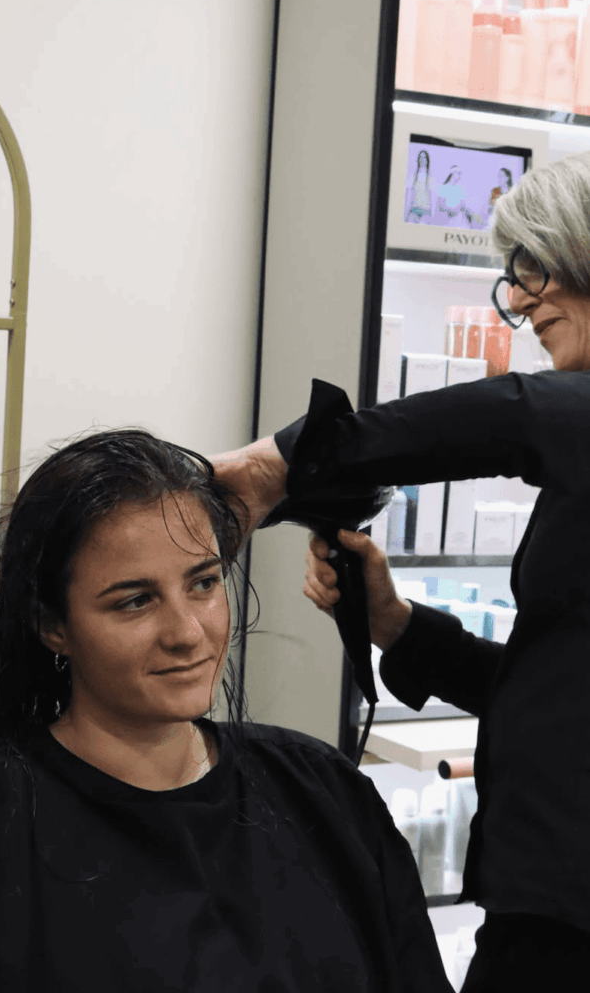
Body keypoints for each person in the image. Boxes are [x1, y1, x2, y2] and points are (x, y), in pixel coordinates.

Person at [208, 149, 590, 991]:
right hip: (543, 900)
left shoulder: (563, 425)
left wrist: (292, 459)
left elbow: (516, 416)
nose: (520, 302)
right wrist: (396, 625)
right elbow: (549, 687)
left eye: (535, 270)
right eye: (512, 276)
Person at [0, 428, 452, 992]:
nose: (189, 633)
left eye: (203, 583)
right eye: (135, 601)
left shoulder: (324, 790)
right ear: (53, 625)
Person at [405, 148, 433, 223]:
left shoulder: (430, 178)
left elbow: (432, 198)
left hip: (426, 211)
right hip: (414, 210)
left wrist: (432, 216)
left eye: (424, 157)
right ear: (418, 160)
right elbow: (408, 196)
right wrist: (405, 214)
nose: (422, 159)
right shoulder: (413, 176)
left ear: (427, 161)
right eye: (420, 157)